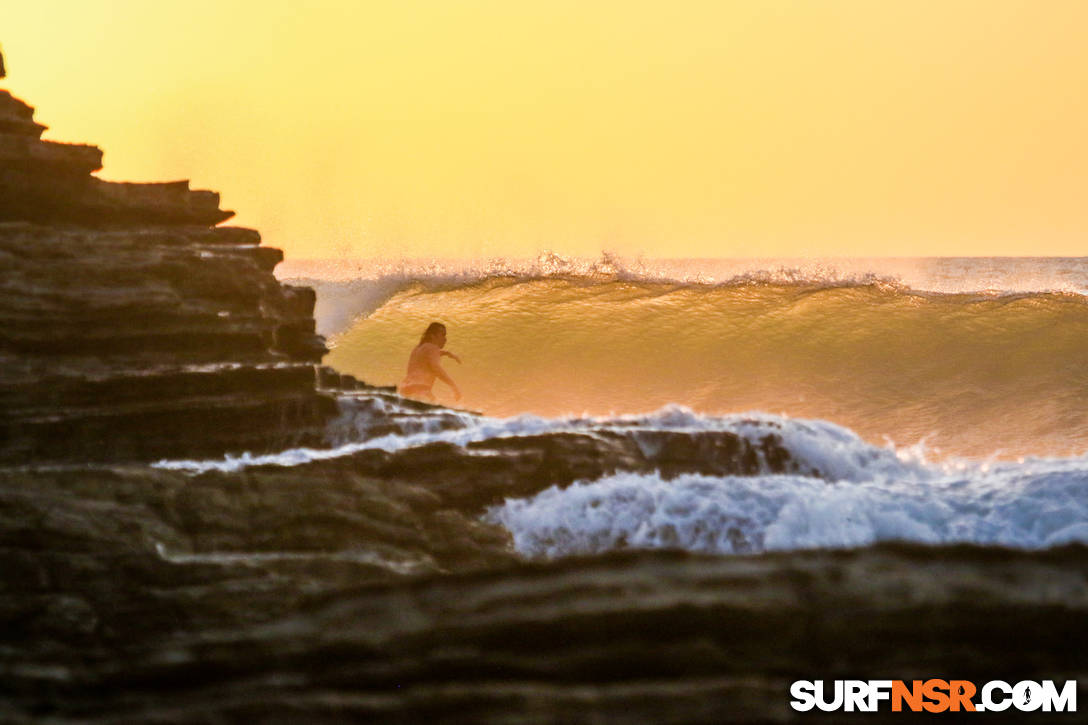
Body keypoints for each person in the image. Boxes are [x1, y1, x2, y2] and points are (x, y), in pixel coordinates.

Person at [397, 322, 462, 403]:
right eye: (442, 335)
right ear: (432, 336)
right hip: (419, 391)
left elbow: (428, 355)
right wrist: (453, 386)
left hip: (404, 391)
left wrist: (447, 353)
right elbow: (436, 368)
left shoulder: (418, 348)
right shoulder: (433, 348)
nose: (445, 339)